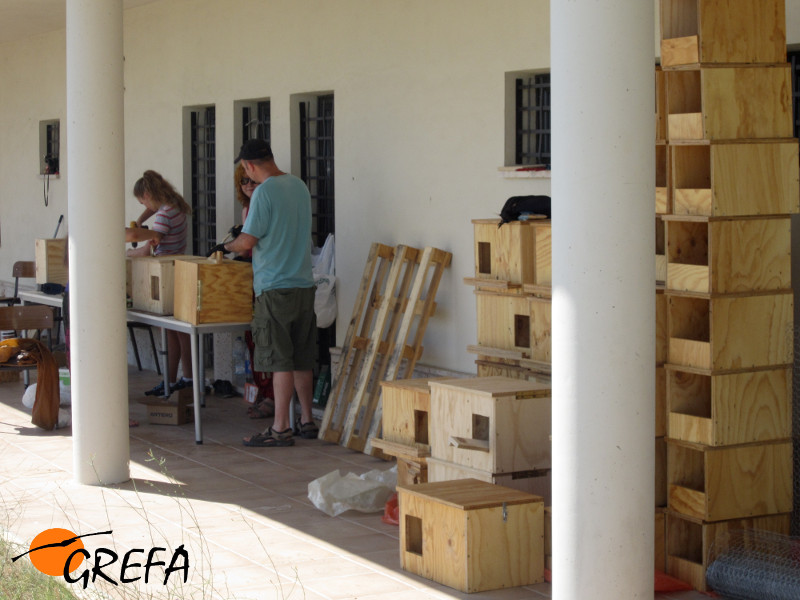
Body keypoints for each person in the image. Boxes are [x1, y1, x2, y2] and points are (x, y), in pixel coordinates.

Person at [225, 139, 317, 447]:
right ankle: (306, 419)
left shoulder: (263, 192)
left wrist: (227, 246)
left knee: (280, 361)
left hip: (274, 287)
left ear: (248, 166)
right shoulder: (299, 186)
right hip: (304, 284)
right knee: (302, 357)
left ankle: (280, 427)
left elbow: (248, 241)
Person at [125, 170, 193, 397]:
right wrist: (142, 219)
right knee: (177, 332)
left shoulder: (164, 216)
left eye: (141, 200)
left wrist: (128, 253)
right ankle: (180, 379)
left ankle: (174, 380)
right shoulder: (175, 206)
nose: (143, 204)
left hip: (164, 277)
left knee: (173, 333)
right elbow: (153, 211)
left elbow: (148, 248)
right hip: (178, 270)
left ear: (147, 194)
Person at [233, 162, 275, 417]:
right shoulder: (247, 210)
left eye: (252, 181)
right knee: (252, 339)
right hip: (249, 278)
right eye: (244, 182)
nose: (248, 186)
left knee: (266, 339)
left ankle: (271, 395)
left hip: (265, 279)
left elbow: (249, 243)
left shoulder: (264, 205)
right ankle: (261, 390)